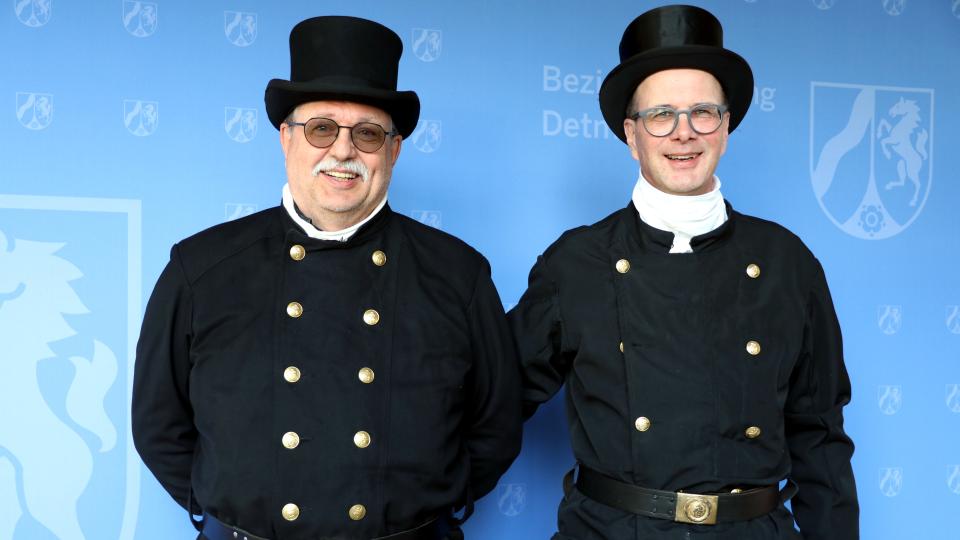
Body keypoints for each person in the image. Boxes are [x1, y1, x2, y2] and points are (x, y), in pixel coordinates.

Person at [132, 16, 521, 540]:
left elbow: (494, 430)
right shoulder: (200, 268)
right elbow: (159, 426)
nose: (342, 151)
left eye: (367, 133)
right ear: (285, 138)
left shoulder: (459, 274)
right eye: (321, 128)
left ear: (393, 150)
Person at [508, 5, 859, 539]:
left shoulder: (788, 262)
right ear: (633, 134)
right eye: (661, 115)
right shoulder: (576, 263)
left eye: (703, 113)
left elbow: (820, 436)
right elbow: (496, 398)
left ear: (725, 126)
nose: (684, 134)